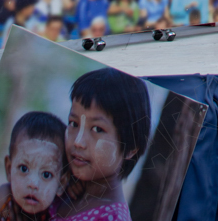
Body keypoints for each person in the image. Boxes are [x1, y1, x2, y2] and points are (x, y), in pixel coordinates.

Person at [57, 68, 151, 219]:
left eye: (97, 129)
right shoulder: (60, 188)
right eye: (73, 124)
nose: (78, 141)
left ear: (131, 148)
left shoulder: (111, 217)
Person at [0, 111, 66, 219]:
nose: (33, 184)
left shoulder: (58, 213)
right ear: (9, 169)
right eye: (24, 169)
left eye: (46, 174)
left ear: (61, 184)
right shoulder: (4, 201)